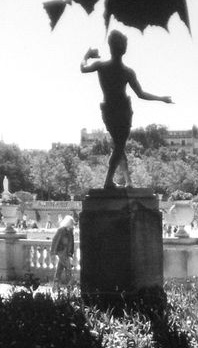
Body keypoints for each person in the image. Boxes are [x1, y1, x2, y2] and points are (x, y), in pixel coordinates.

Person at [80, 31, 173, 188]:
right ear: (123, 49)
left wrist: (87, 55)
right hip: (122, 111)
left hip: (109, 110)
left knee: (119, 145)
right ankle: (108, 181)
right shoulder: (126, 71)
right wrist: (161, 99)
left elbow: (83, 68)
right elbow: (141, 94)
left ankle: (128, 181)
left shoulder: (101, 66)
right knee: (119, 146)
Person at [50, 215, 75, 292]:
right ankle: (70, 285)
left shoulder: (70, 231)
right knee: (68, 268)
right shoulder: (61, 230)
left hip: (66, 253)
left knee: (59, 269)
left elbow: (72, 243)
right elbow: (55, 241)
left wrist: (71, 253)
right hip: (61, 252)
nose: (73, 225)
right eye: (72, 223)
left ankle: (55, 286)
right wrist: (53, 252)